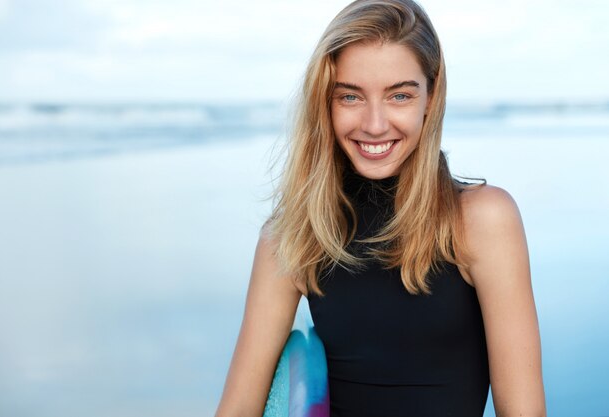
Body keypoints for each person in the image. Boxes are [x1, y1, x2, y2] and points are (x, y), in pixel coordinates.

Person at [215, 0, 546, 416]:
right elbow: (238, 408)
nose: (374, 124)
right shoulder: (294, 236)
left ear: (432, 95)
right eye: (350, 97)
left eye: (399, 95)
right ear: (325, 102)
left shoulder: (480, 221)